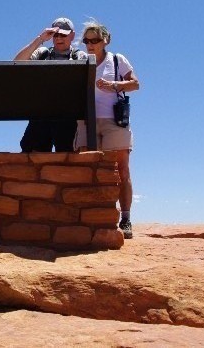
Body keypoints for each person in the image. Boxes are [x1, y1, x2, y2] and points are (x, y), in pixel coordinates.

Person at [75, 21, 140, 239]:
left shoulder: (117, 60)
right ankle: (90, 216)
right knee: (87, 168)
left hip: (114, 121)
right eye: (87, 40)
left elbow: (135, 83)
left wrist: (113, 85)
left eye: (95, 40)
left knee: (122, 169)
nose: (90, 44)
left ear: (105, 41)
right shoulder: (80, 60)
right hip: (87, 120)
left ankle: (126, 218)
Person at [14, 17, 87, 152]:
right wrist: (40, 39)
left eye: (63, 34)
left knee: (67, 158)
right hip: (41, 115)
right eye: (55, 34)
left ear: (72, 35)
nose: (59, 38)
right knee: (31, 154)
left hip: (68, 117)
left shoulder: (80, 56)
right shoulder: (43, 53)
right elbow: (17, 62)